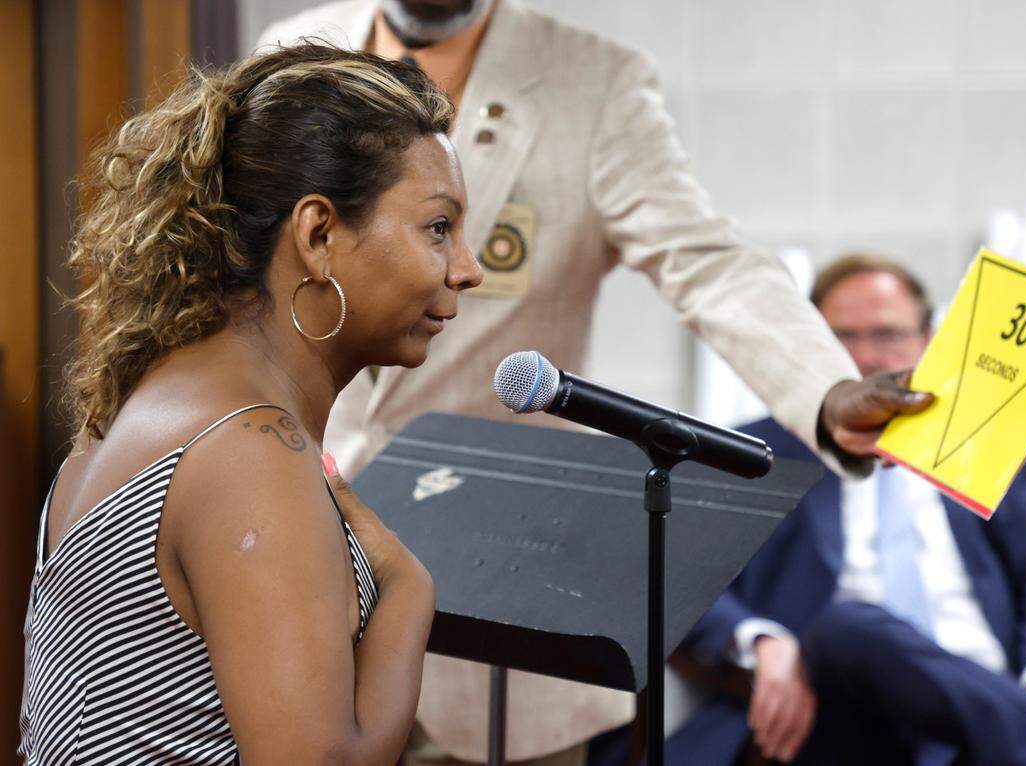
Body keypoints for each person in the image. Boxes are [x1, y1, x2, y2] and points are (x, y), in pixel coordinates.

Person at [257, 3, 933, 765]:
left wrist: (827, 390)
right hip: (314, 579)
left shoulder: (595, 82)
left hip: (506, 596)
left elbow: (705, 260)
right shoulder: (295, 49)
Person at [18, 44, 483, 765]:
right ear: (318, 235)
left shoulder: (157, 400)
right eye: (438, 228)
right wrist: (405, 592)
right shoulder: (248, 450)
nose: (468, 269)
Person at [674, 254, 1026, 765]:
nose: (865, 357)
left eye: (887, 334)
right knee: (850, 626)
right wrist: (762, 641)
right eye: (840, 337)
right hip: (831, 710)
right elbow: (688, 582)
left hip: (984, 703)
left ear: (928, 339)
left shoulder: (983, 441)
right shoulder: (756, 452)